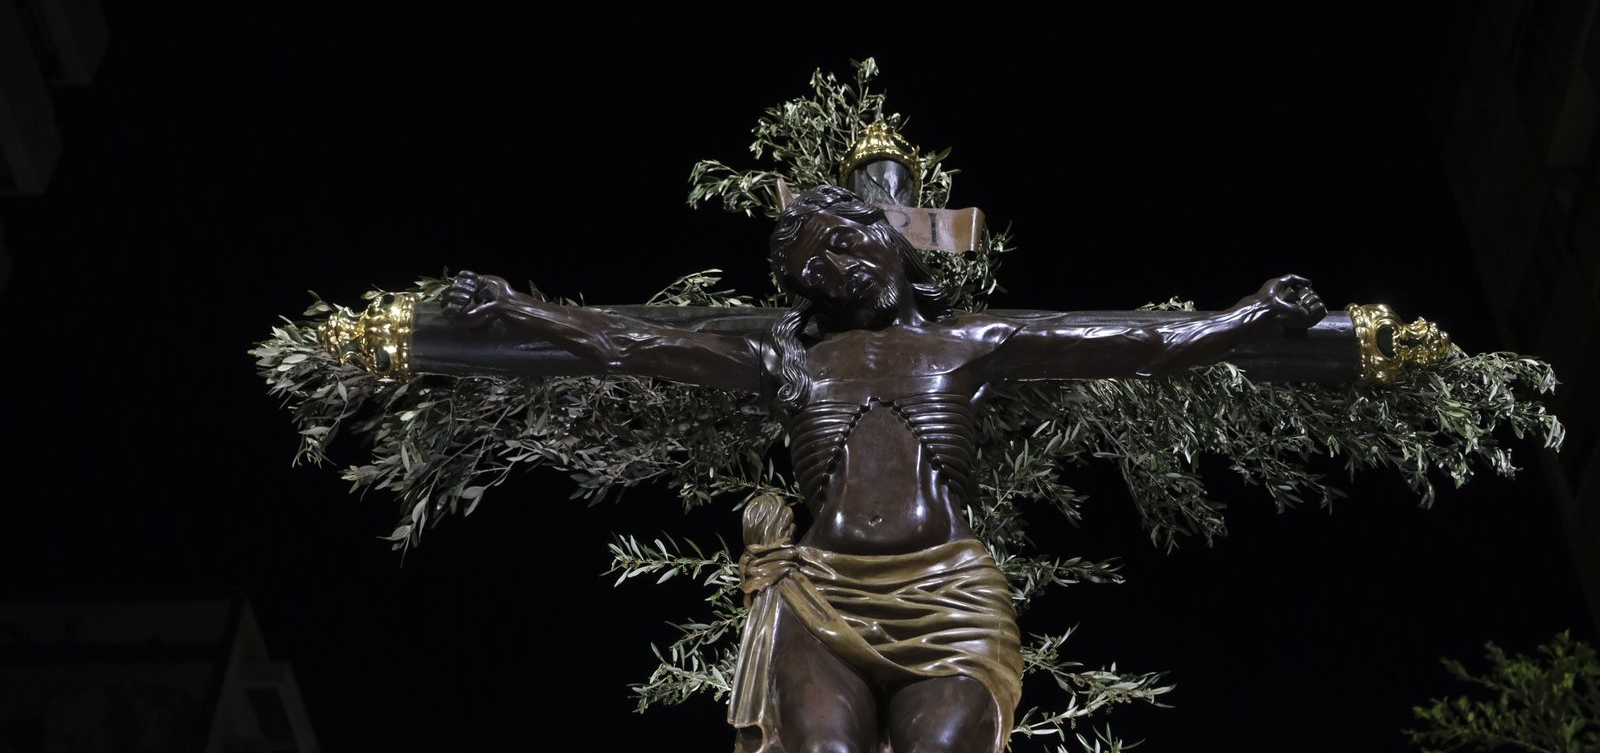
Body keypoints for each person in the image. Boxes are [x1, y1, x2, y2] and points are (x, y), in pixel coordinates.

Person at [441, 184, 1326, 753]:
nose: (836, 270)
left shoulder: (971, 343)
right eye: (813, 269)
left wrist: (1247, 317)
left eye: (842, 241)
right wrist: (519, 308)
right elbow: (631, 346)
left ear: (884, 232)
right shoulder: (792, 361)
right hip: (824, 595)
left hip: (948, 595)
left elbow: (1137, 345)